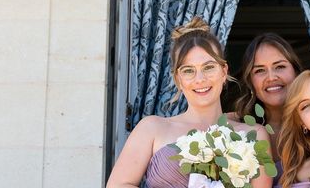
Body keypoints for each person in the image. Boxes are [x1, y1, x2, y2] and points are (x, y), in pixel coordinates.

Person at [107, 17, 273, 188]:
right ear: (178, 79)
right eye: (188, 71)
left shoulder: (255, 135)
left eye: (208, 67)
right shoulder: (151, 128)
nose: (199, 79)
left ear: (224, 72)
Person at [233, 33, 303, 162]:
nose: (271, 77)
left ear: (296, 72)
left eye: (280, 67)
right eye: (260, 70)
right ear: (250, 81)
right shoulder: (237, 130)